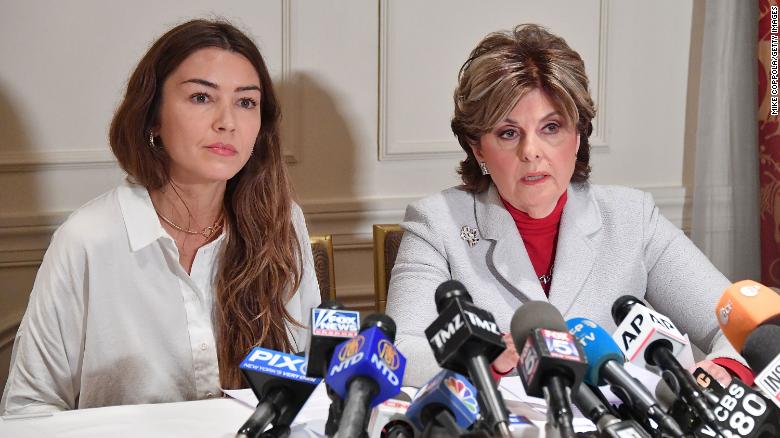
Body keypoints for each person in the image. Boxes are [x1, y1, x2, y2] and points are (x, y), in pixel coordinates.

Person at [385, 24, 750, 387]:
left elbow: (740, 326)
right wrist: (489, 358)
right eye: (508, 133)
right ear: (478, 147)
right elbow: (399, 352)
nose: (531, 152)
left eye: (551, 127)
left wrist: (722, 369)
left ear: (578, 135)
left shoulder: (632, 218)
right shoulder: (436, 225)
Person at [0, 19, 320, 414]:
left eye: (246, 102)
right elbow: (28, 408)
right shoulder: (87, 239)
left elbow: (308, 377)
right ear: (153, 118)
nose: (227, 122)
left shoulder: (282, 222)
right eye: (202, 98)